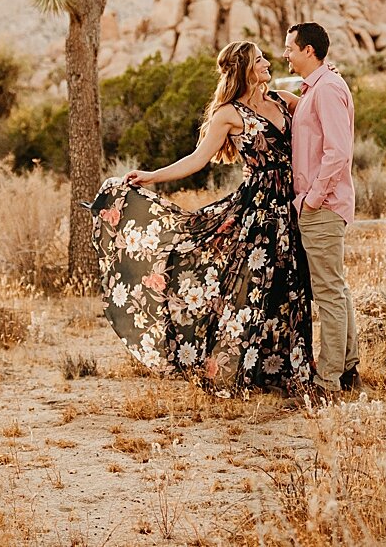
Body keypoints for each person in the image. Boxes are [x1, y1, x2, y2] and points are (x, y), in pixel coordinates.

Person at [88, 41, 314, 395]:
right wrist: (152, 175)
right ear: (244, 70)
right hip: (256, 211)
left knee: (291, 285)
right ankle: (237, 369)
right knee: (251, 289)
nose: (267, 63)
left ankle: (286, 370)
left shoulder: (284, 100)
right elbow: (197, 160)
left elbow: (321, 124)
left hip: (291, 206)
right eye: (259, 60)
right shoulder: (229, 113)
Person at [281, 22, 360, 397]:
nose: (286, 55)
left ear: (308, 50)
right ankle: (348, 366)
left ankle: (328, 380)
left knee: (327, 293)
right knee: (335, 288)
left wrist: (312, 200)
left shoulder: (326, 89)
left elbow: (338, 152)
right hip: (324, 204)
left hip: (323, 206)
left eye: (290, 48)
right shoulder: (318, 88)